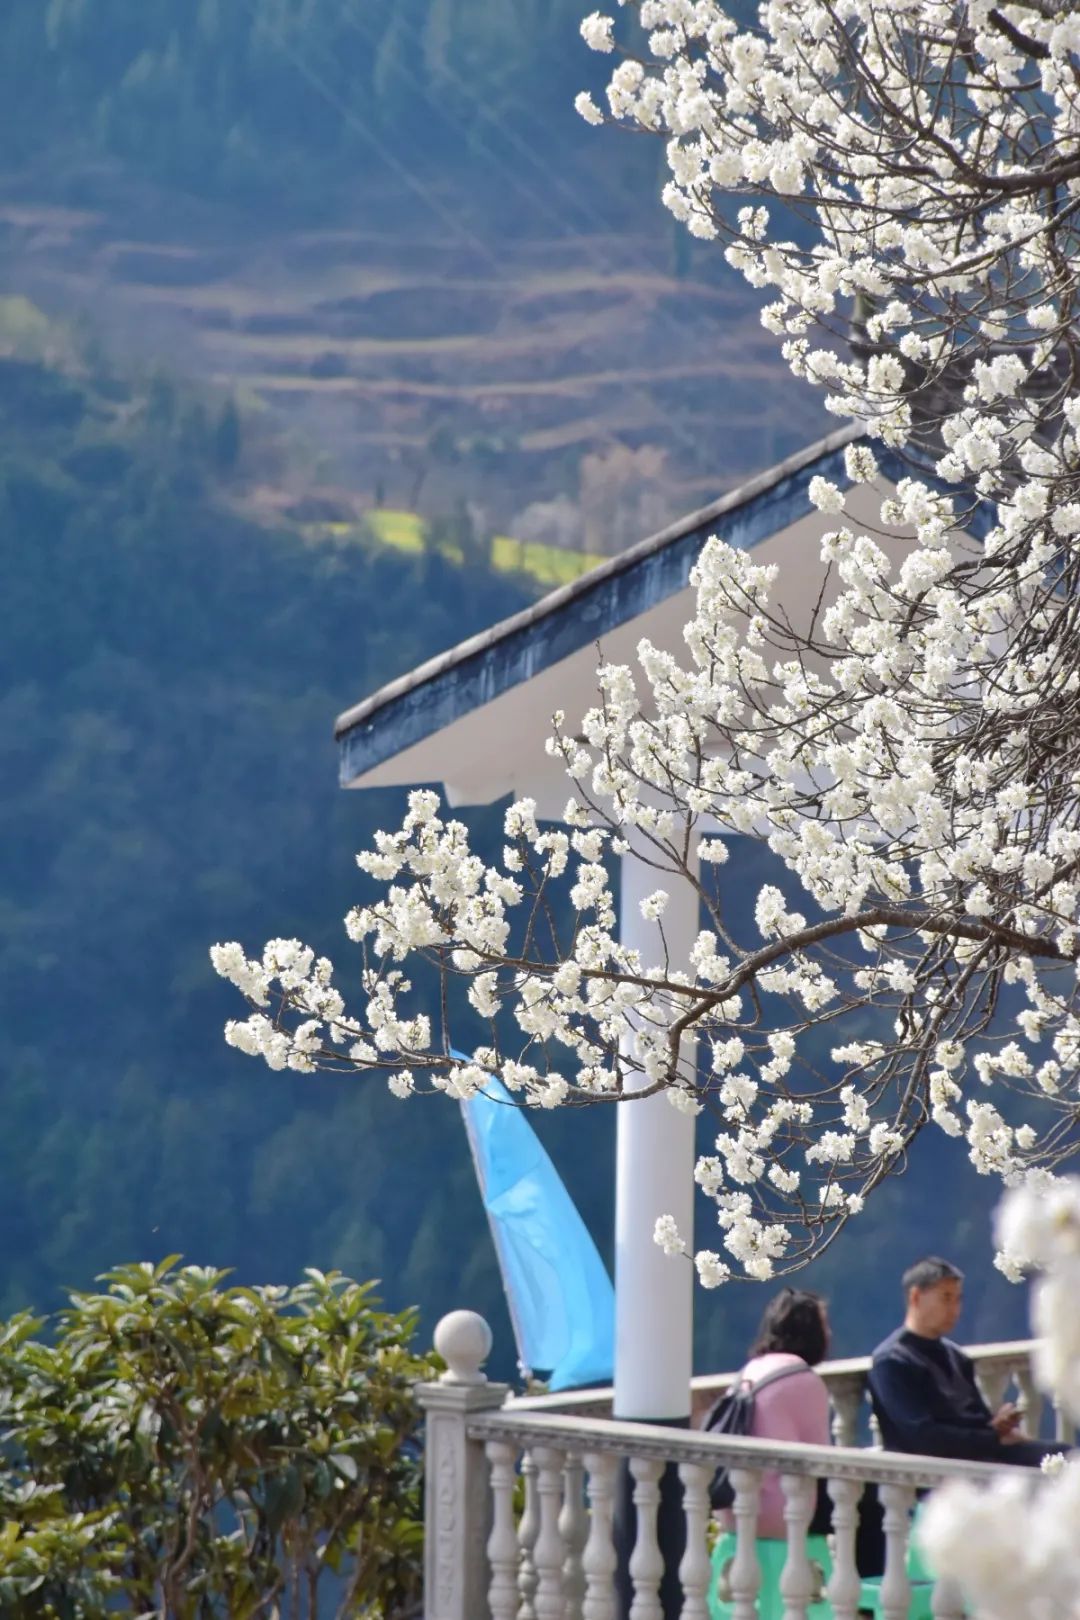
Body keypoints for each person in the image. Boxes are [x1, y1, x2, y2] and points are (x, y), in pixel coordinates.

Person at [869, 1255, 1064, 1467]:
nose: (954, 1309)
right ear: (915, 1297)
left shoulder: (956, 1357)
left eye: (958, 1299)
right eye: (946, 1298)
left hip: (979, 1456)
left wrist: (998, 1427)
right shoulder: (892, 1362)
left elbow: (977, 1419)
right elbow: (921, 1437)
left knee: (1064, 1456)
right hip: (938, 1470)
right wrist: (992, 1438)